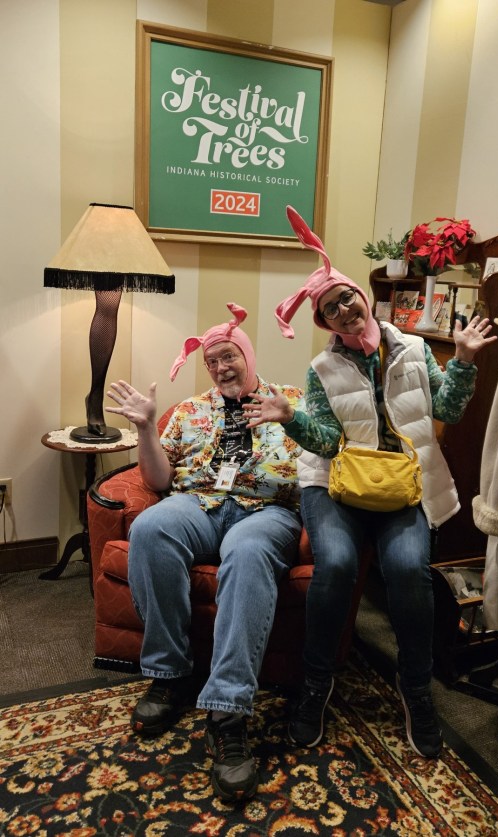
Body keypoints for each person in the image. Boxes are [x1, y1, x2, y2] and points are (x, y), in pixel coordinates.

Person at [243, 207, 497, 759]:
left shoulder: (413, 348)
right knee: (334, 564)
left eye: (346, 299)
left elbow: (448, 405)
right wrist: (290, 417)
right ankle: (315, 686)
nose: (343, 311)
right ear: (326, 323)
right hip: (334, 483)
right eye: (330, 309)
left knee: (408, 570)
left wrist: (467, 363)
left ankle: (415, 689)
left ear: (362, 297)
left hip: (401, 483)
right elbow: (329, 443)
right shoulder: (321, 370)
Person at [105, 302, 303, 802]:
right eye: (211, 361)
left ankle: (229, 710)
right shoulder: (191, 411)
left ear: (248, 356)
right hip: (199, 503)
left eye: (228, 356)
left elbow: (324, 459)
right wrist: (147, 428)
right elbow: (157, 480)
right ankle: (170, 675)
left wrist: (293, 421)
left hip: (267, 511)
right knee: (150, 528)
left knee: (248, 551)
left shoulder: (292, 400)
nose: (220, 367)